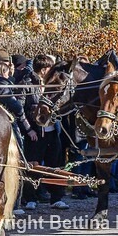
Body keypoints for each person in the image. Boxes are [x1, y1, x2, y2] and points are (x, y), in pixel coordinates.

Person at [0, 49, 38, 211]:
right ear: (4, 68)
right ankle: (14, 203)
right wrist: (28, 128)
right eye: (9, 67)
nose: (12, 70)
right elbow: (16, 107)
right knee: (16, 163)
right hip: (7, 127)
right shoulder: (1, 86)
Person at [31, 54, 68, 210]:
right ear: (44, 69)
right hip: (36, 131)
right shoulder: (29, 83)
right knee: (34, 165)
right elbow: (24, 106)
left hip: (53, 130)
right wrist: (30, 126)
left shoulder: (53, 82)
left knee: (56, 164)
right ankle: (31, 197)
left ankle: (56, 197)